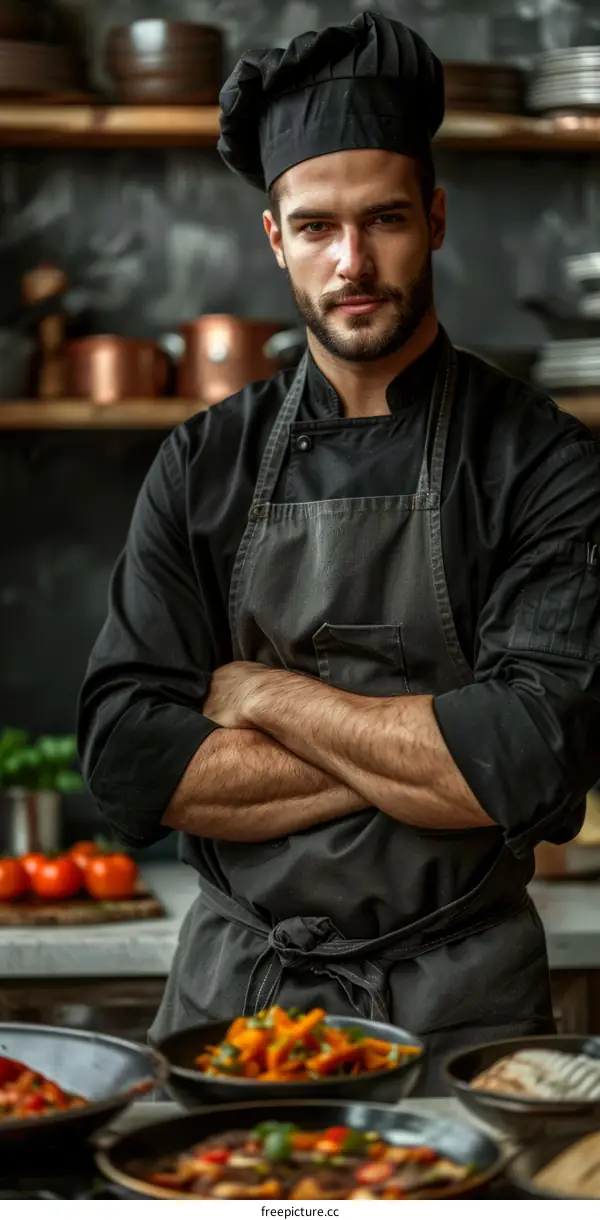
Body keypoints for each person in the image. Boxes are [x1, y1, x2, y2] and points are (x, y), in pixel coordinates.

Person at [78, 12, 600, 1091]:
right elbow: (128, 758)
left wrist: (266, 694)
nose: (352, 262)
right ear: (276, 238)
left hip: (465, 1013)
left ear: (435, 220)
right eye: (316, 227)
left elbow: (530, 757)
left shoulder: (543, 461)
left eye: (385, 219)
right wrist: (433, 748)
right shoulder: (201, 464)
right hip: (235, 1009)